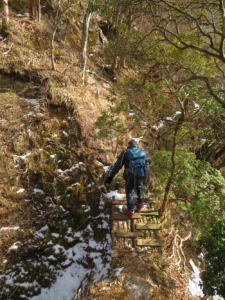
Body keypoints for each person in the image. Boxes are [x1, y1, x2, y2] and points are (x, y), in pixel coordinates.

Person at [106, 138, 151, 218]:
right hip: (141, 175)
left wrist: (111, 176)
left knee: (129, 192)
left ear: (128, 144)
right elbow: (149, 161)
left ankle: (130, 210)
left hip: (129, 176)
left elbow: (118, 166)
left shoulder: (125, 153)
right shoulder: (143, 152)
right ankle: (140, 204)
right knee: (140, 187)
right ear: (137, 145)